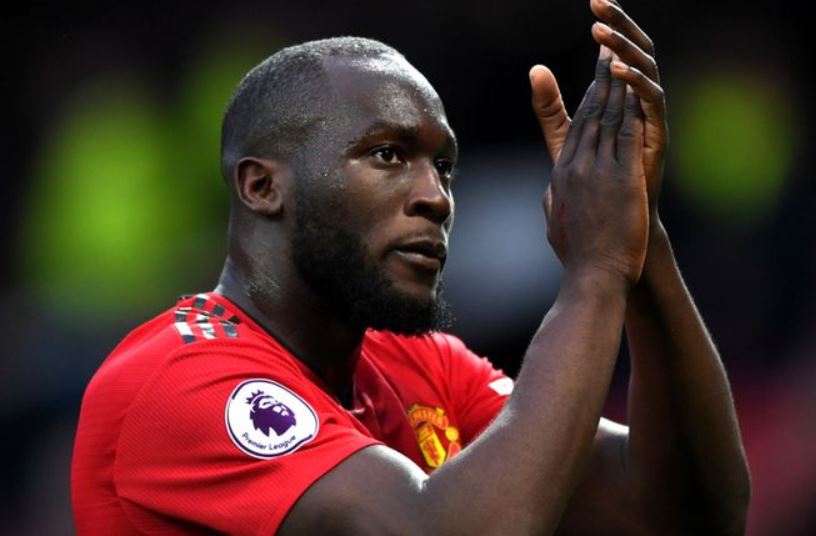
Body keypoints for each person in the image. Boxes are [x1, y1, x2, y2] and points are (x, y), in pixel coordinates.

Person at [71, 0, 751, 533]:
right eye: (388, 156)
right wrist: (596, 272)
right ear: (262, 187)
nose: (436, 196)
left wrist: (640, 242)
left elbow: (678, 514)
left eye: (443, 165)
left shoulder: (420, 367)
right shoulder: (179, 379)